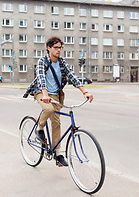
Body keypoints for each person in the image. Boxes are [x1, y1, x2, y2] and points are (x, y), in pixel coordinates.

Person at [23, 36, 93, 167]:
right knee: (48, 109)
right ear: (48, 48)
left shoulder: (62, 62)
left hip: (55, 95)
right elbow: (41, 77)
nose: (59, 50)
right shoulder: (42, 61)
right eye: (56, 47)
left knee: (56, 123)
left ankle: (58, 154)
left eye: (60, 47)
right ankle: (39, 129)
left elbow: (72, 76)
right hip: (40, 92)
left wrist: (85, 92)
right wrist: (44, 94)